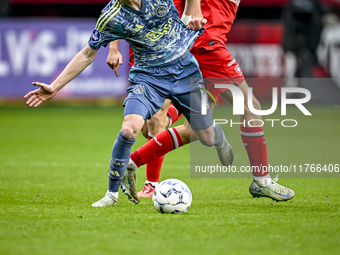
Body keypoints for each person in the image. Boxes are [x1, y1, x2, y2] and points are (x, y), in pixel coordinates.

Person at [24, 0, 234, 207]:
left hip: (184, 69)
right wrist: (55, 86)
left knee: (206, 137)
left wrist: (192, 10)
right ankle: (111, 193)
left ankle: (216, 134)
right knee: (130, 127)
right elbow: (87, 54)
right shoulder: (111, 15)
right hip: (148, 78)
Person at [117, 0, 295, 201]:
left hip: (196, 44)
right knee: (250, 107)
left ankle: (129, 163)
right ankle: (262, 181)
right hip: (207, 46)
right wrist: (192, 13)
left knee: (197, 130)